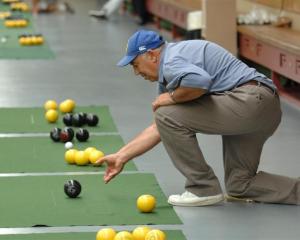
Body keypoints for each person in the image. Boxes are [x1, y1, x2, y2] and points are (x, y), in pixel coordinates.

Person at [95, 29, 300, 206]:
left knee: (167, 113)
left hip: (250, 100)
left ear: (151, 55)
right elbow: (160, 126)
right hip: (261, 107)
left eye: (135, 64)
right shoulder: (171, 73)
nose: (136, 72)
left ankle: (203, 188)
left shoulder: (172, 60)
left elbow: (200, 81)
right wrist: (122, 156)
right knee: (240, 185)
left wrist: (172, 97)